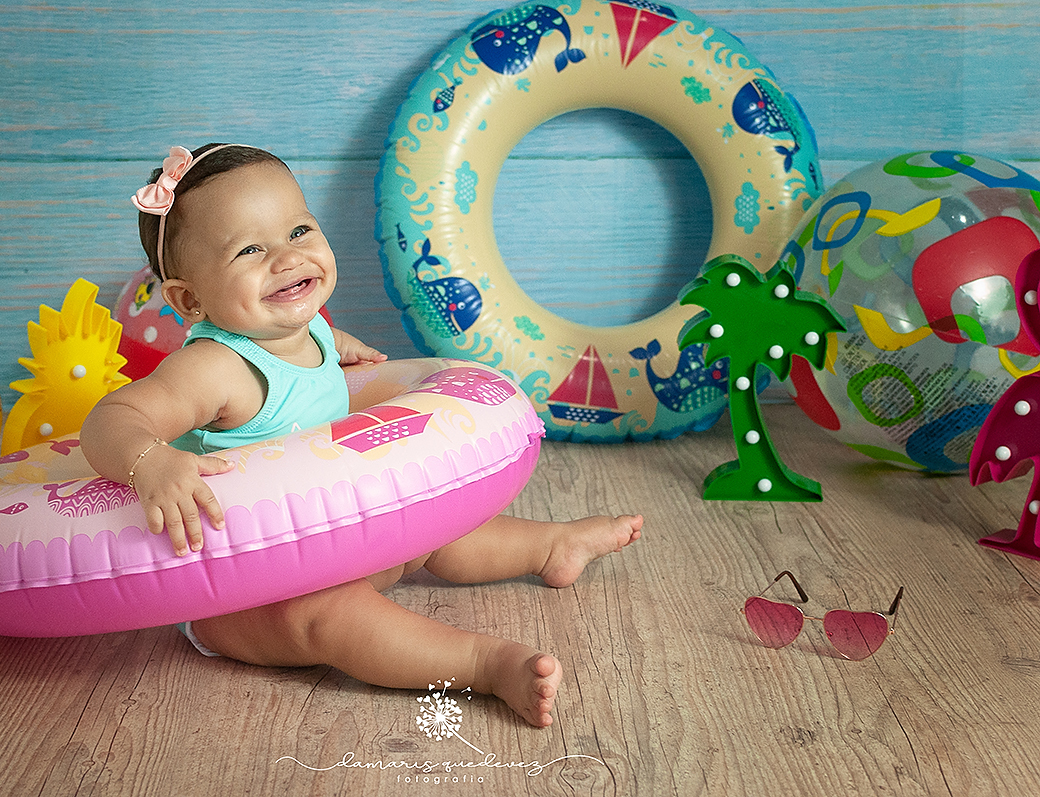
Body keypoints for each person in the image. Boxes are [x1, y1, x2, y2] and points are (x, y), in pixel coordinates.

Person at [80, 143, 644, 728]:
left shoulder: (309, 331)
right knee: (330, 617)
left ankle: (552, 546)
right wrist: (151, 459)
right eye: (250, 249)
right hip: (247, 587)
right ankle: (482, 664)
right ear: (190, 299)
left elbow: (307, 360)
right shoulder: (214, 369)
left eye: (299, 230)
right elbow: (112, 417)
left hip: (338, 540)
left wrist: (338, 348)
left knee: (438, 530)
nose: (287, 257)